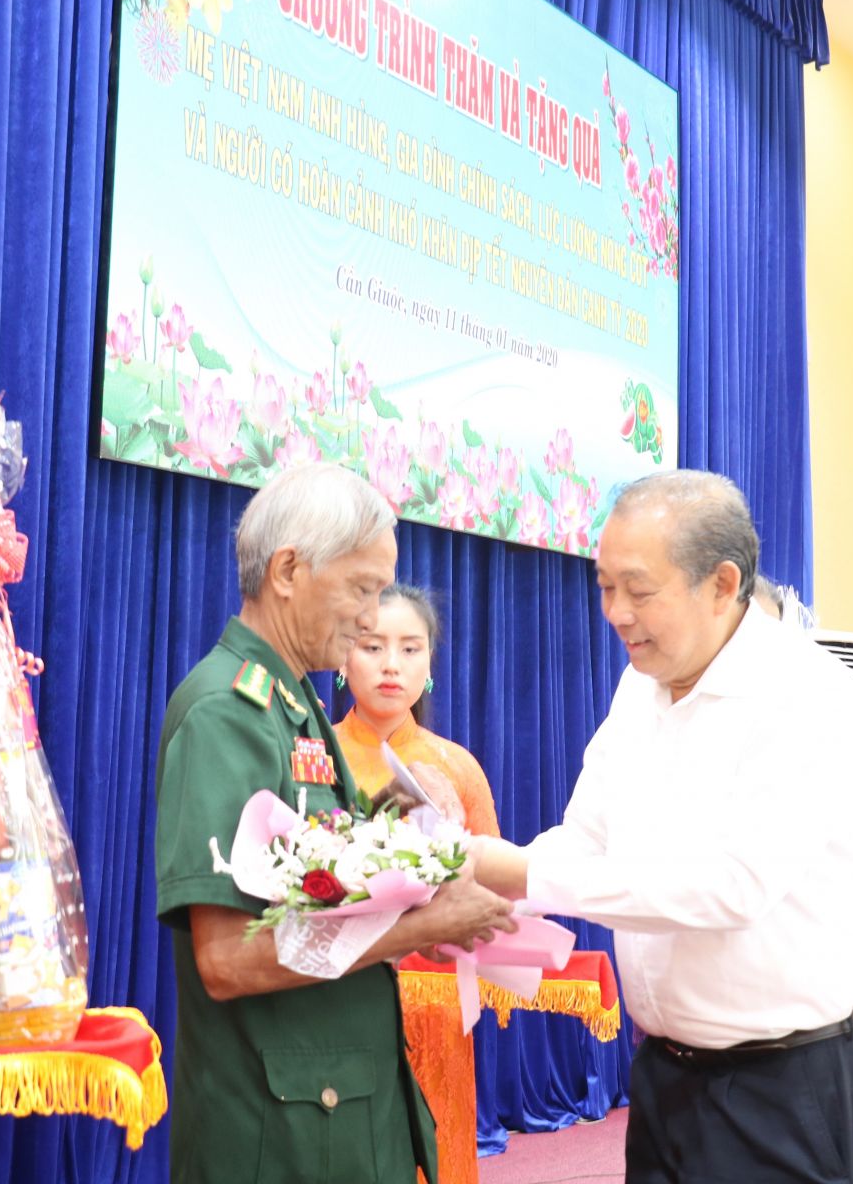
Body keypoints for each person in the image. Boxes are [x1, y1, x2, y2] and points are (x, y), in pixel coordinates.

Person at [471, 470, 853, 1184]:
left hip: (786, 1082)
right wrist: (484, 889)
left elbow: (733, 888)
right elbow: (585, 836)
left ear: (721, 585)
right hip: (667, 1074)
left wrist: (521, 873)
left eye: (638, 590)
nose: (615, 613)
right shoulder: (640, 684)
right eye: (604, 586)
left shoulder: (802, 694)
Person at [153, 463, 515, 1184]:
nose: (370, 616)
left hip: (331, 1112)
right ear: (287, 570)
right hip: (278, 1132)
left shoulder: (298, 708)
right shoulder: (230, 714)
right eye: (361, 589)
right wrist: (420, 929)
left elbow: (326, 898)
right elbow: (225, 960)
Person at [333, 584, 500, 1184]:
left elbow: (494, 895)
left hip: (436, 1011)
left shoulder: (457, 766)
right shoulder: (315, 758)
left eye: (410, 648)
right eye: (372, 646)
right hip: (342, 999)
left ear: (430, 663)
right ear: (344, 654)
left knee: (440, 1155)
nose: (390, 664)